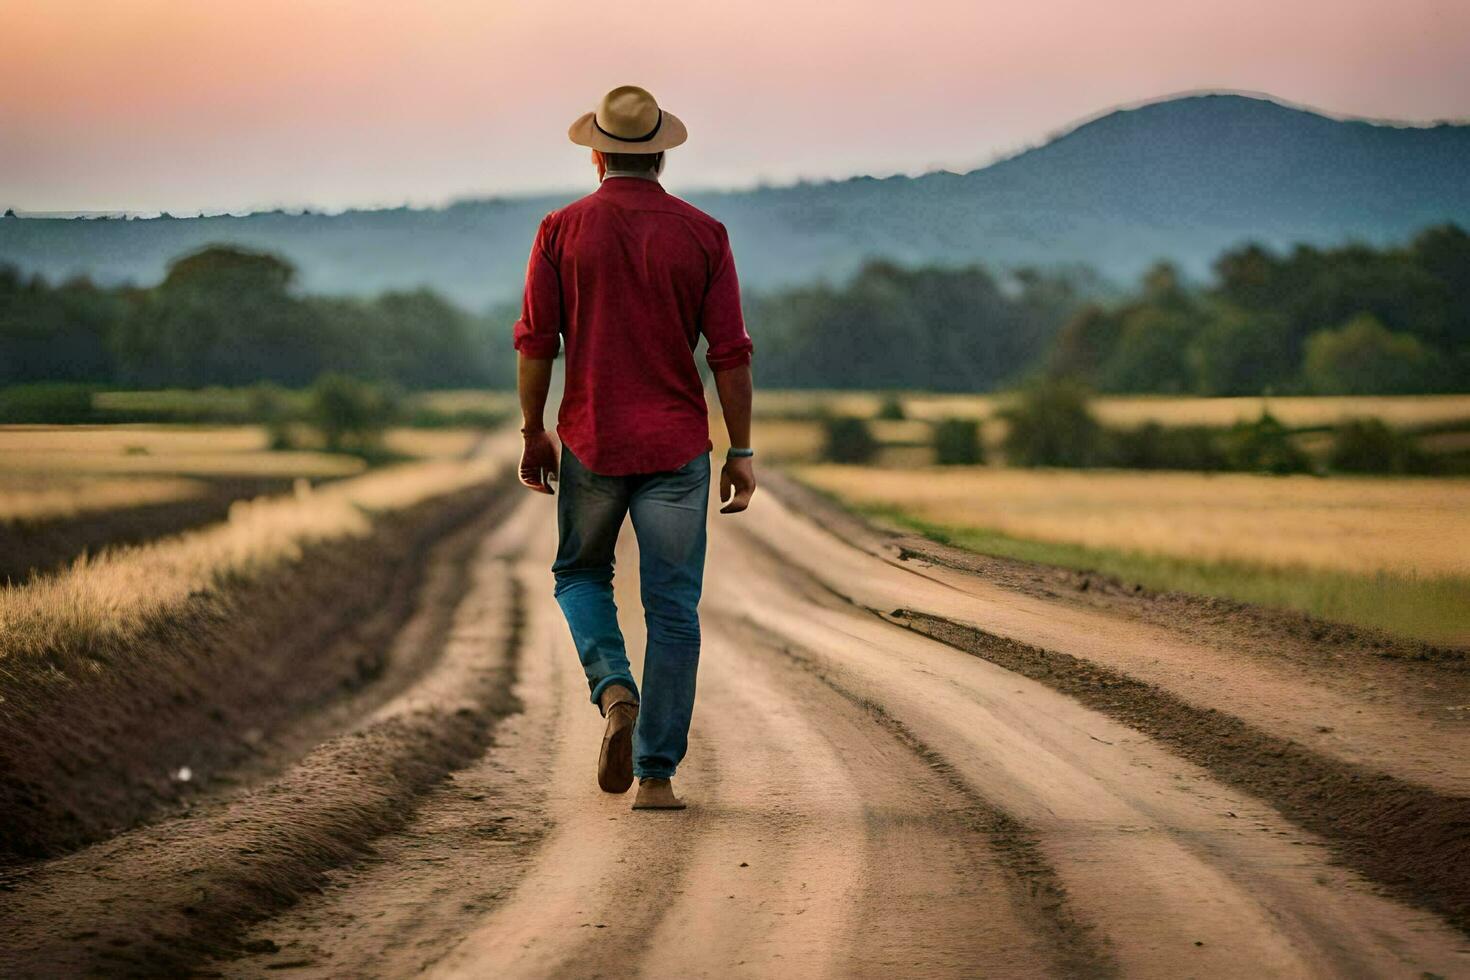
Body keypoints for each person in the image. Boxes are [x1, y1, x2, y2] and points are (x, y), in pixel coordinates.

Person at [513, 85, 756, 811]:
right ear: (660, 153)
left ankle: (614, 687)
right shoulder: (704, 233)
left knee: (580, 575)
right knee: (674, 610)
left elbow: (536, 342)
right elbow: (730, 352)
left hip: (593, 439)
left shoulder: (561, 229)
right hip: (678, 446)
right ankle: (656, 776)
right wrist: (740, 449)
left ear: (596, 154)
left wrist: (535, 432)